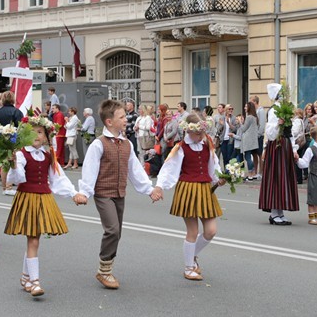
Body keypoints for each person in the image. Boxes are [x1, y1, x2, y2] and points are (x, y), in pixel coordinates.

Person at [74, 99, 156, 290]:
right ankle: (104, 271)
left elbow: (134, 169)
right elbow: (90, 169)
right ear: (109, 121)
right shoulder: (98, 144)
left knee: (117, 232)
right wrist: (85, 192)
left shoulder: (126, 143)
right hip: (103, 193)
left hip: (119, 193)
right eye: (121, 117)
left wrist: (149, 189)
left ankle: (107, 268)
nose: (126, 119)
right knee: (112, 230)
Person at [5, 114, 77, 297]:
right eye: (32, 132)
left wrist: (74, 193)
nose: (36, 135)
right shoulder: (21, 154)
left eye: (40, 132)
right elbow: (17, 178)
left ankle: (26, 277)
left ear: (46, 137)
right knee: (33, 239)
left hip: (44, 198)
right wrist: (14, 165)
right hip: (27, 197)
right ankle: (34, 281)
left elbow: (58, 178)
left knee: (33, 238)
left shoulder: (47, 155)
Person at [152, 113, 224, 280]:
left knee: (211, 231)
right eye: (197, 133)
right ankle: (188, 267)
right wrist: (159, 186)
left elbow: (213, 166)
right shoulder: (181, 148)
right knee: (193, 231)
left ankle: (191, 256)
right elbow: (169, 168)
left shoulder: (208, 145)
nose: (200, 136)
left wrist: (219, 179)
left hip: (206, 190)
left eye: (202, 133)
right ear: (188, 131)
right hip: (188, 189)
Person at [259, 83, 299, 225]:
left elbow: (290, 132)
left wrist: (294, 149)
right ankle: (274, 213)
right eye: (281, 93)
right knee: (277, 178)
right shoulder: (274, 110)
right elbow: (270, 133)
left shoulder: (284, 109)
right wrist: (278, 124)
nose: (284, 96)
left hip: (285, 145)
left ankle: (280, 212)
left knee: (284, 179)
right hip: (277, 146)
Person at [0, 90, 23, 195]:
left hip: (2, 139)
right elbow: (20, 126)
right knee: (13, 162)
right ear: (13, 99)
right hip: (13, 139)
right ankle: (9, 186)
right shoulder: (17, 112)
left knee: (5, 163)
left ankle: (4, 187)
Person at [238, 102, 260, 179]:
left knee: (247, 157)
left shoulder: (249, 117)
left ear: (249, 108)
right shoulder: (255, 117)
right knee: (251, 156)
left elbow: (243, 129)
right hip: (253, 140)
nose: (244, 108)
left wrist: (240, 122)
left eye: (246, 107)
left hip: (248, 140)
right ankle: (253, 173)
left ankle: (251, 173)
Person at [219, 104, 237, 169]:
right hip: (223, 140)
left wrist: (228, 123)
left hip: (230, 140)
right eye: (229, 109)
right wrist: (222, 125)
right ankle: (225, 172)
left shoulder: (234, 118)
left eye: (232, 109)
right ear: (226, 110)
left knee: (229, 157)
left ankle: (229, 172)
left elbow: (235, 129)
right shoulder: (222, 118)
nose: (231, 110)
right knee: (224, 157)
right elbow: (219, 130)